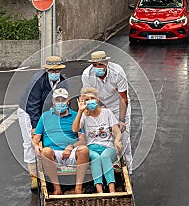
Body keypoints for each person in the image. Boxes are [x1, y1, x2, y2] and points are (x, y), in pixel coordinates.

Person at [18, 56, 67, 191]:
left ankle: (50, 170)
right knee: (30, 141)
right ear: (47, 70)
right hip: (28, 111)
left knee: (50, 138)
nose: (54, 73)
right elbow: (33, 104)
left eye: (56, 70)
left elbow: (65, 100)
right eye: (51, 70)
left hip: (47, 111)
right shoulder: (37, 80)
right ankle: (34, 176)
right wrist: (35, 126)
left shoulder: (63, 81)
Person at [81, 51, 133, 173]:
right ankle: (105, 166)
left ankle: (128, 170)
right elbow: (89, 96)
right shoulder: (87, 75)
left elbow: (123, 98)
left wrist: (121, 120)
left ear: (106, 63)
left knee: (123, 137)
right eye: (95, 65)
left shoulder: (117, 72)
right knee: (100, 134)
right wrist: (100, 112)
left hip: (117, 105)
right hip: (99, 104)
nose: (98, 68)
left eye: (101, 65)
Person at [32, 88, 89, 195]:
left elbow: (82, 139)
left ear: (68, 101)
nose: (60, 102)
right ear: (53, 101)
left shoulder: (76, 115)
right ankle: (56, 188)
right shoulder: (45, 116)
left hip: (72, 152)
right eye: (57, 100)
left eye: (62, 100)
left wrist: (71, 146)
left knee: (84, 150)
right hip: (53, 154)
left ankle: (78, 188)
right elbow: (36, 139)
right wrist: (35, 146)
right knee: (46, 151)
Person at [72, 87, 122, 193]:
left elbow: (116, 131)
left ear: (97, 100)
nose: (90, 101)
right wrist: (80, 111)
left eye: (92, 98)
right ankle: (100, 190)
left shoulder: (107, 113)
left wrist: (117, 140)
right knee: (95, 157)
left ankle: (111, 189)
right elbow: (75, 129)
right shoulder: (84, 116)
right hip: (92, 148)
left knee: (104, 157)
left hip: (108, 147)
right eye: (87, 99)